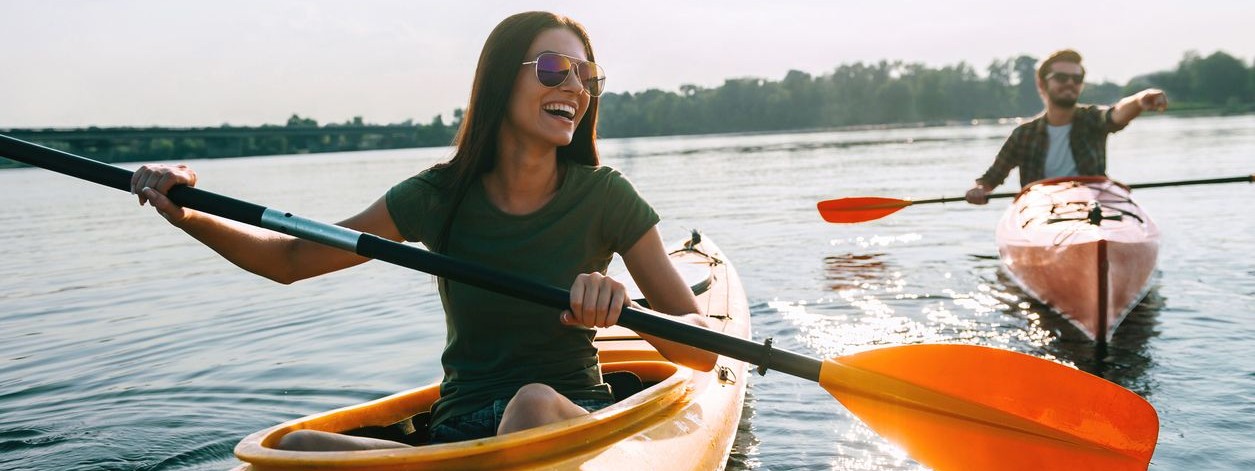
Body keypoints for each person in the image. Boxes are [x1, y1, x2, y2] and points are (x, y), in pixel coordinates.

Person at [128, 11, 717, 450]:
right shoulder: (437, 196)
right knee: (292, 446)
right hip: (457, 432)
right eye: (555, 69)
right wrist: (188, 212)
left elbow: (699, 350)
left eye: (587, 75)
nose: (576, 87)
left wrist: (621, 308)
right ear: (499, 81)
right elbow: (289, 259)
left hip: (565, 417)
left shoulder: (605, 196)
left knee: (531, 404)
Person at [965, 49, 1168, 204]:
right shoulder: (1023, 135)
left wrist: (1140, 100)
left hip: (1093, 206)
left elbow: (1116, 114)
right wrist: (979, 189)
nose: (1070, 83)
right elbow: (990, 179)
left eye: (1077, 79)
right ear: (1042, 84)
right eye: (1061, 78)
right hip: (1041, 211)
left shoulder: (1092, 119)